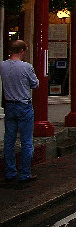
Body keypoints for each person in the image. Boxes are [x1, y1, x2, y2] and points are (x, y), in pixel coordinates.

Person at [1, 40, 39, 183]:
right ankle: (24, 173)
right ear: (22, 51)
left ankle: (10, 172)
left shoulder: (3, 66)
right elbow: (35, 84)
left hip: (9, 106)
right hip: (24, 106)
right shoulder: (26, 67)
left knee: (9, 140)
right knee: (26, 141)